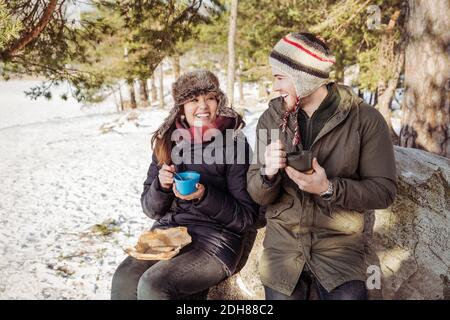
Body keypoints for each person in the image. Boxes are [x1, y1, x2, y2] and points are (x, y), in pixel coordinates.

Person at [247, 32, 397, 300]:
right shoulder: (271, 120)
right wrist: (267, 174)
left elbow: (383, 191)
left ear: (304, 77)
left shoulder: (365, 120)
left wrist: (329, 188)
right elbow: (257, 193)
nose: (274, 88)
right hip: (283, 251)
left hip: (338, 251)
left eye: (280, 78)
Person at [111, 70, 258, 300]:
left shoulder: (234, 144)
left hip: (214, 240)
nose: (203, 106)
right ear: (181, 106)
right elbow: (151, 209)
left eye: (209, 97)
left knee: (154, 284)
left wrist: (204, 196)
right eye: (193, 100)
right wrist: (160, 186)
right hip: (169, 235)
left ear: (218, 101)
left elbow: (246, 218)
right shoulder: (167, 141)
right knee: (124, 277)